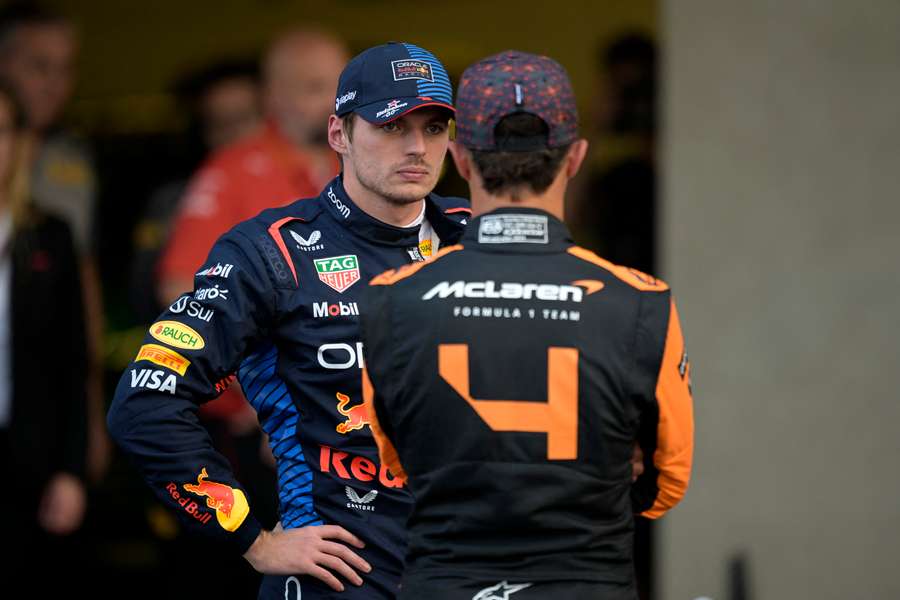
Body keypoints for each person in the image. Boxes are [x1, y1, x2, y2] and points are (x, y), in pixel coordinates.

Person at [107, 42, 469, 600]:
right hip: (340, 577)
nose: (418, 147)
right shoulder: (272, 252)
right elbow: (146, 400)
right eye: (392, 127)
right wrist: (251, 538)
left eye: (434, 127)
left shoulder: (479, 241)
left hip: (465, 570)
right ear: (339, 135)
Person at [361, 50, 694, 600]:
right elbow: (666, 486)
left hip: (445, 582)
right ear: (576, 157)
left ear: (461, 158)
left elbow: (394, 464)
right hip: (586, 581)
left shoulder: (392, 299)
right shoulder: (641, 303)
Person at [156, 28, 348, 305]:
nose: (336, 101)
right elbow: (178, 286)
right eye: (315, 88)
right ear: (273, 96)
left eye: (342, 87)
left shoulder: (364, 163)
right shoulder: (230, 171)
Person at [0, 2, 109, 483]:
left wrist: (90, 418)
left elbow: (81, 291)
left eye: (66, 69)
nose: (55, 84)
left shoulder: (73, 162)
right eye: (39, 66)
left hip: (37, 414)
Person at [0, 80, 88, 589]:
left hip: (30, 459)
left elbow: (72, 362)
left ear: (20, 143)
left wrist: (71, 471)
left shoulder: (49, 236)